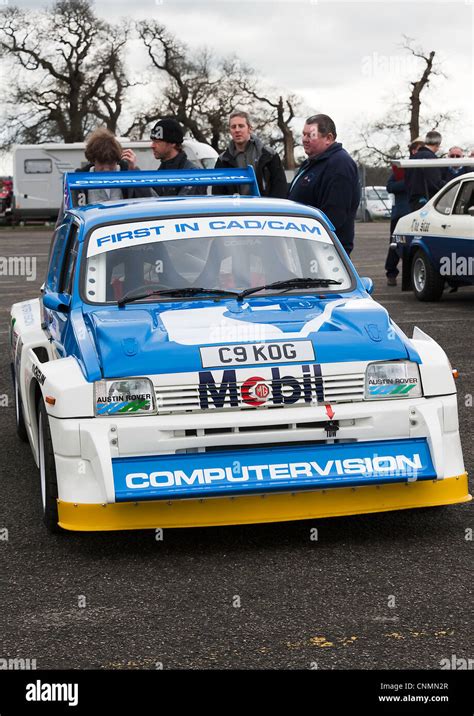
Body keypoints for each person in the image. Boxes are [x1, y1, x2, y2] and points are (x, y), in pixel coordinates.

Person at [287, 114, 360, 255]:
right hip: (305, 245)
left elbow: (334, 215)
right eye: (303, 135)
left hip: (325, 250)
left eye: (310, 135)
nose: (304, 140)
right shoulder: (313, 162)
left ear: (329, 138)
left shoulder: (339, 165)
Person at [213, 110, 287, 198]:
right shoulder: (222, 160)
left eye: (241, 126)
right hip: (235, 210)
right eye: (233, 127)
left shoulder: (269, 156)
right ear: (230, 130)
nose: (237, 130)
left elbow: (280, 189)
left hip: (264, 209)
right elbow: (218, 194)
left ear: (250, 128)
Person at [384, 138, 424, 286]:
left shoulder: (425, 169)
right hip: (401, 213)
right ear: (413, 151)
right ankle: (391, 272)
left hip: (418, 212)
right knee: (395, 243)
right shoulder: (402, 168)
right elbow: (390, 186)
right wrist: (408, 184)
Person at [133, 118, 205, 197]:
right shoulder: (162, 171)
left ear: (173, 143)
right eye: (152, 141)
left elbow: (178, 207)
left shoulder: (192, 174)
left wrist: (136, 174)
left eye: (157, 141)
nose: (152, 146)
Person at [405, 130, 446, 212]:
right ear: (438, 144)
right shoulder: (431, 158)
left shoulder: (413, 157)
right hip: (426, 202)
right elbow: (434, 183)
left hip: (412, 201)